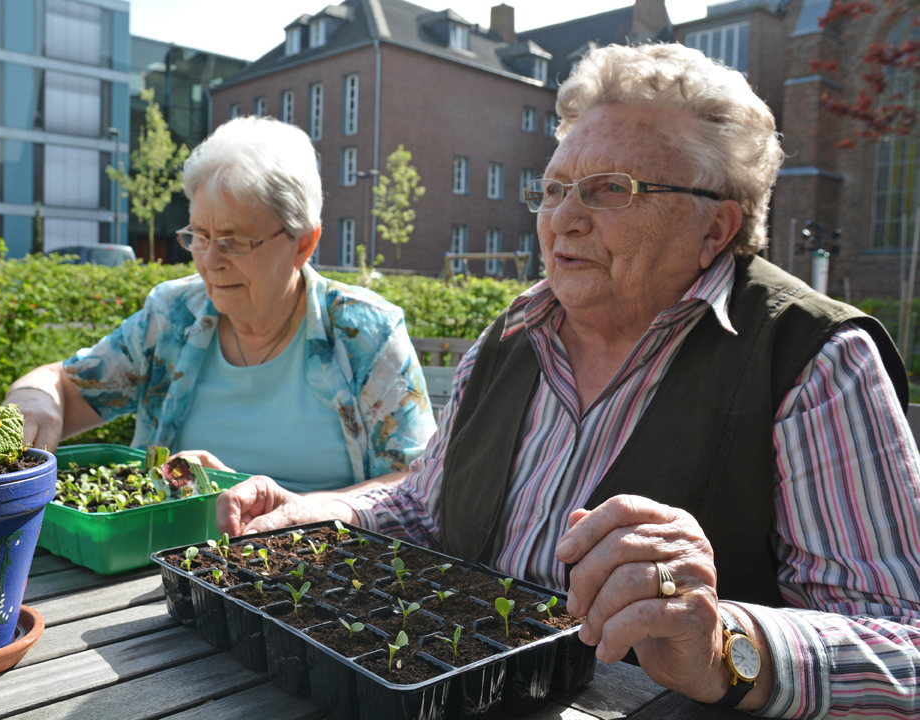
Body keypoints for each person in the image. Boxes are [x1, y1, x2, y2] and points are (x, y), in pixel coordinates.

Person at [217, 44, 920, 717]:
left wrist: (723, 648)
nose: (562, 220)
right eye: (552, 189)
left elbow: (904, 649)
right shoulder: (509, 337)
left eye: (611, 190)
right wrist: (329, 516)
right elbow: (424, 514)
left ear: (716, 228)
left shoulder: (813, 360)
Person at [6, 116, 436, 493]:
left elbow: (417, 482)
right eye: (199, 236)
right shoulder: (174, 315)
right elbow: (63, 385)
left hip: (318, 568)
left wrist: (289, 509)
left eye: (234, 241)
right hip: (166, 569)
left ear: (303, 244)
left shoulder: (365, 332)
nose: (209, 261)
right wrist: (34, 396)